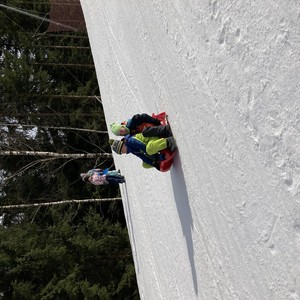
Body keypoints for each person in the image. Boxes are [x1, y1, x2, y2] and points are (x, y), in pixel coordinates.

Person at [109, 133, 177, 170]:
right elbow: (143, 157)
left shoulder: (131, 141)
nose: (123, 153)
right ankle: (160, 160)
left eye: (121, 152)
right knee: (145, 165)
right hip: (151, 145)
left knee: (149, 150)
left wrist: (157, 157)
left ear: (122, 146)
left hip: (153, 138)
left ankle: (168, 141)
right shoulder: (132, 150)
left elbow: (144, 147)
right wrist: (154, 163)